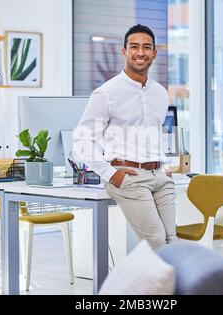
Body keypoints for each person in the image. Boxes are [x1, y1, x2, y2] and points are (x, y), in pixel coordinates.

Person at [73, 24, 176, 250]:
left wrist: (166, 163)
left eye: (147, 47)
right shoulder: (106, 93)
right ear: (124, 52)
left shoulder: (159, 92)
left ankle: (165, 286)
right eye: (134, 47)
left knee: (172, 241)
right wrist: (111, 174)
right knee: (156, 241)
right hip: (129, 177)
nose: (141, 52)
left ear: (154, 53)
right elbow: (81, 141)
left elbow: (153, 134)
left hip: (160, 175)